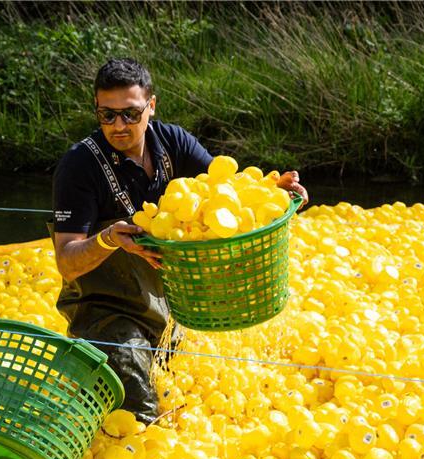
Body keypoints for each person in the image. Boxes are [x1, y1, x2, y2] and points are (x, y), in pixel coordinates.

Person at [51, 58, 308, 423]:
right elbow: (66, 259)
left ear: (151, 106)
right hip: (107, 313)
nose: (118, 126)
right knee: (141, 413)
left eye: (130, 113)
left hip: (170, 306)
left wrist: (271, 190)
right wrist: (108, 239)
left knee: (191, 396)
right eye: (106, 116)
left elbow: (226, 190)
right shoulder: (79, 166)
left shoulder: (171, 142)